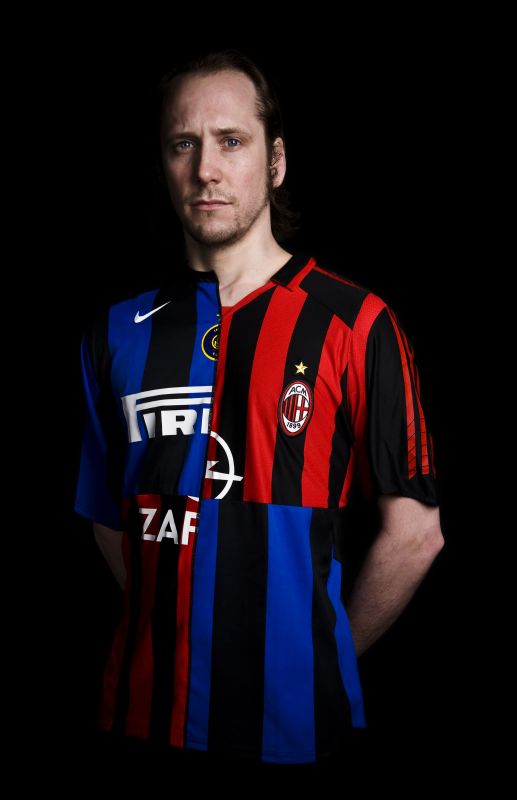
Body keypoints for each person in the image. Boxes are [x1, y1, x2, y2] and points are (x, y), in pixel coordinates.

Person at [73, 47, 444, 770]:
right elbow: (107, 519)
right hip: (140, 721)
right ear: (163, 163)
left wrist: (315, 658)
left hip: (294, 733)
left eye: (231, 141)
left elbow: (415, 536)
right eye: (184, 144)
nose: (205, 170)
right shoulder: (116, 332)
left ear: (275, 161)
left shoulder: (355, 324)